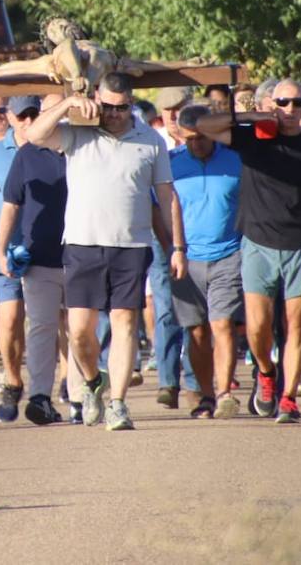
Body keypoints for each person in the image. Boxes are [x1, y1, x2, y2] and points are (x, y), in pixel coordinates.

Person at [24, 73, 183, 432]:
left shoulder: (151, 139)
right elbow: (35, 136)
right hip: (82, 242)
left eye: (121, 107)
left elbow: (166, 196)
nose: (113, 114)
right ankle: (95, 381)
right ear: (97, 100)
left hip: (132, 244)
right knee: (80, 332)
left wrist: (177, 247)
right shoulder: (78, 132)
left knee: (124, 323)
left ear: (131, 104)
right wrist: (67, 103)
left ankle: (119, 403)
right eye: (108, 106)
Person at [196, 79, 301, 424]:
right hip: (258, 244)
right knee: (258, 328)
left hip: (300, 244)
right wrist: (254, 114)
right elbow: (201, 124)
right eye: (283, 102)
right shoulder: (254, 137)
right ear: (273, 103)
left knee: (296, 324)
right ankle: (266, 371)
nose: (291, 110)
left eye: (298, 103)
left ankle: (289, 397)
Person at [0, 93, 79, 425]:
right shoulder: (27, 154)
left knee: (79, 329)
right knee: (42, 329)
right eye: (52, 112)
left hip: (81, 255)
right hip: (40, 257)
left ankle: (79, 396)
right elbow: (11, 204)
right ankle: (41, 397)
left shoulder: (83, 148)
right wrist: (2, 250)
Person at [166, 102, 245, 419]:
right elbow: (159, 209)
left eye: (201, 136)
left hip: (229, 254)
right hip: (186, 259)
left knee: (223, 324)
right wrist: (173, 249)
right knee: (196, 332)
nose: (196, 143)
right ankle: (206, 395)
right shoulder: (171, 165)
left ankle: (225, 392)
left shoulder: (235, 160)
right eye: (189, 138)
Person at [0, 95, 41, 422]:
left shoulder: (53, 149)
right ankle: (12, 379)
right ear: (12, 118)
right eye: (22, 116)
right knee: (10, 318)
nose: (28, 122)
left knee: (53, 320)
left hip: (46, 247)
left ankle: (61, 387)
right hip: (3, 250)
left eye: (34, 114)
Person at [148, 87, 202, 411]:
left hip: (201, 237)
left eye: (178, 108)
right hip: (162, 238)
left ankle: (196, 382)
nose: (172, 116)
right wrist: (170, 243)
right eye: (166, 110)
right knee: (167, 309)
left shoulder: (206, 146)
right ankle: (169, 382)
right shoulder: (156, 147)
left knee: (195, 313)